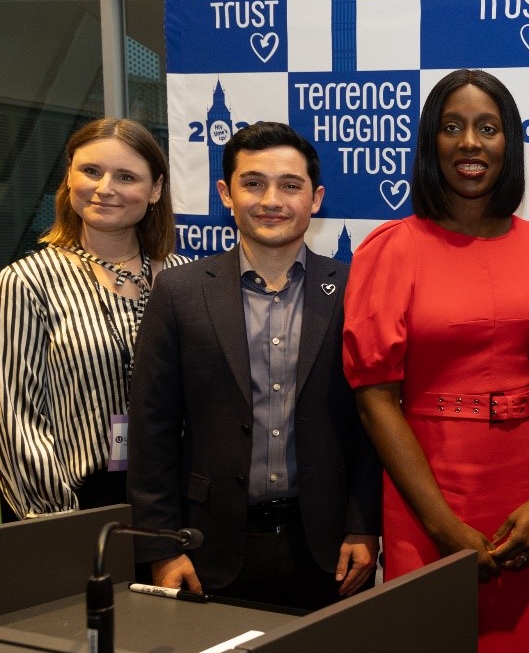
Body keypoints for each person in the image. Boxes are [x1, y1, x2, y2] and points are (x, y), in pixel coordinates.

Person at [343, 70, 529, 653]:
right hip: (425, 500)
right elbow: (375, 395)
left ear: (510, 142)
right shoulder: (390, 249)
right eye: (452, 126)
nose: (470, 143)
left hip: (525, 502)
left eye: (487, 126)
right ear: (429, 142)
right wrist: (443, 527)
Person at [127, 121, 380, 611]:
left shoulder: (356, 288)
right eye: (253, 183)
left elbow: (372, 423)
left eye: (290, 185)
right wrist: (160, 547)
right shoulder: (179, 293)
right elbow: (151, 430)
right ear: (226, 193)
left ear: (316, 197)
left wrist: (364, 523)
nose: (271, 200)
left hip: (329, 552)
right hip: (205, 550)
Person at [0, 118, 187, 520]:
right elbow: (14, 421)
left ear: (155, 189)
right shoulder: (25, 282)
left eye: (126, 176)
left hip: (176, 500)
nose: (105, 188)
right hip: (77, 504)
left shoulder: (184, 278)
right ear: (69, 177)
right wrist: (60, 523)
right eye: (91, 171)